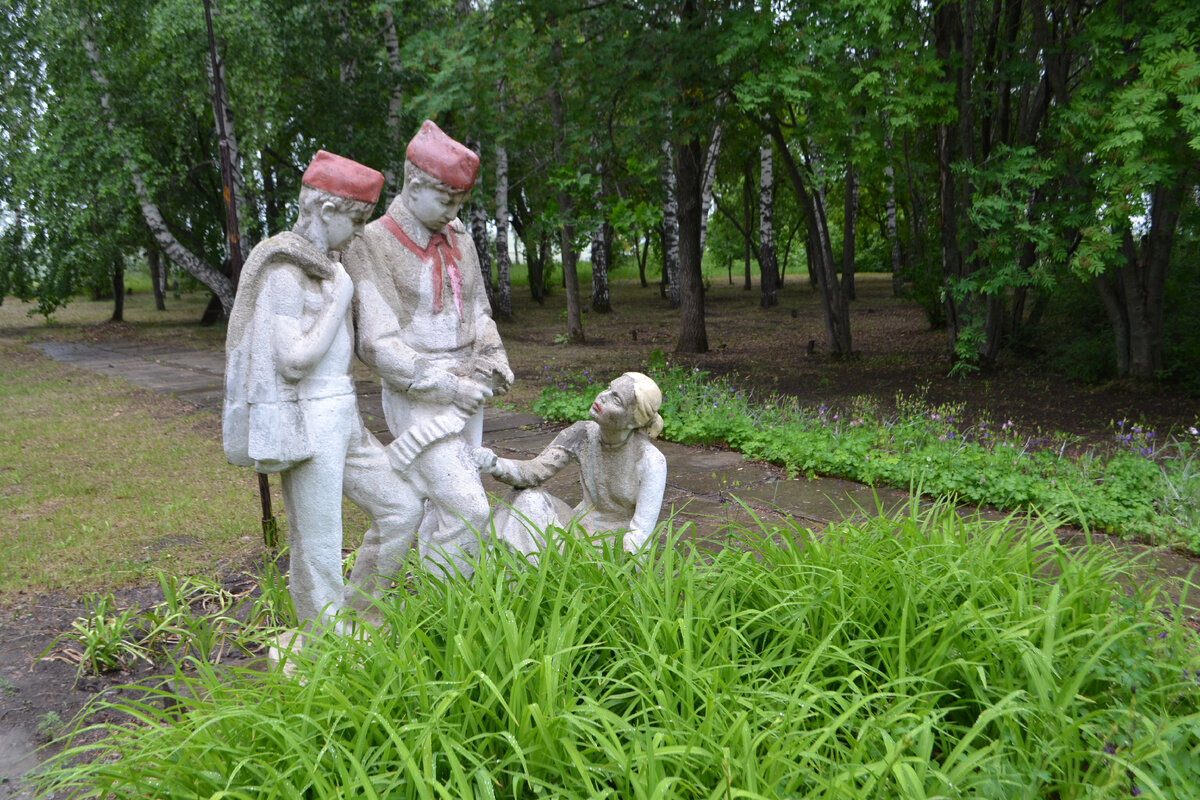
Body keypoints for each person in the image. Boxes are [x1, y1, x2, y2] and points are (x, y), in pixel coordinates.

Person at [224, 151, 422, 635]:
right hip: (306, 417)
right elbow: (292, 360)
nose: (358, 233)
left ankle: (359, 613)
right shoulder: (284, 272)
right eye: (355, 220)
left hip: (343, 414)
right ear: (327, 210)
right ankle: (325, 639)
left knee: (402, 506)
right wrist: (339, 300)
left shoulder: (332, 267)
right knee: (318, 540)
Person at [342, 120, 513, 582]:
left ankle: (408, 603)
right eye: (446, 200)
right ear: (414, 184)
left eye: (460, 201)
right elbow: (377, 343)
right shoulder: (371, 242)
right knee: (468, 506)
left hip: (468, 390)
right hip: (417, 392)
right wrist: (448, 386)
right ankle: (448, 610)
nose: (454, 212)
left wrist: (493, 358)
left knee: (429, 500)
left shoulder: (459, 237)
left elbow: (479, 311)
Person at [474, 372, 667, 558]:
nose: (602, 397)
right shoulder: (582, 433)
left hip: (611, 547)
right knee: (527, 498)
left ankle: (544, 575)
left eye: (616, 400)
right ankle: (515, 575)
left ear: (634, 421)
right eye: (609, 388)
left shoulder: (650, 461)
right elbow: (535, 471)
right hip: (577, 528)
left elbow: (640, 534)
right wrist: (496, 465)